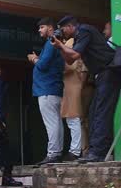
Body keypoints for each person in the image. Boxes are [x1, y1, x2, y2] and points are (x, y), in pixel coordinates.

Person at [52, 16, 119, 163]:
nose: (62, 32)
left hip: (109, 71)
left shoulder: (84, 30)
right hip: (102, 74)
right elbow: (70, 60)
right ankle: (96, 151)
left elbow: (75, 54)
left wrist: (61, 46)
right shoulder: (78, 37)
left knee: (101, 113)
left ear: (70, 26)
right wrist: (60, 46)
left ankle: (98, 153)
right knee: (94, 112)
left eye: (62, 29)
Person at [28, 17, 65, 165]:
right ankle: (57, 152)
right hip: (52, 89)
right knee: (56, 122)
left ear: (50, 28)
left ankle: (53, 153)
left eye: (42, 27)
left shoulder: (51, 42)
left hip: (47, 90)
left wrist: (34, 59)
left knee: (52, 123)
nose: (39, 30)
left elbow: (42, 66)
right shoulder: (54, 42)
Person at [61, 39, 89, 161]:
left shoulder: (73, 46)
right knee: (72, 119)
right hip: (70, 86)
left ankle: (76, 150)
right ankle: (78, 150)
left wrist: (80, 88)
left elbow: (82, 72)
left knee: (74, 119)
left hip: (75, 86)